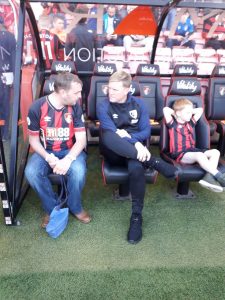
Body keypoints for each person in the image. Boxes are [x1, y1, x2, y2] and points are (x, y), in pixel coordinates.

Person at [97, 70, 178, 244]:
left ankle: (136, 217)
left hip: (135, 151)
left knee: (135, 167)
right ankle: (154, 162)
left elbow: (146, 131)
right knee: (108, 136)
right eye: (109, 88)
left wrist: (132, 140)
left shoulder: (139, 104)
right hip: (114, 152)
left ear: (127, 89)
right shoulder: (103, 105)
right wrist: (136, 143)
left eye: (115, 90)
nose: (110, 92)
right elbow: (111, 133)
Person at [25, 72, 91, 228]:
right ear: (62, 92)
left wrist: (68, 159)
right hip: (46, 152)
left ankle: (75, 207)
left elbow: (81, 140)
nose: (79, 96)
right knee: (31, 172)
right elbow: (33, 140)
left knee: (78, 171)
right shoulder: (37, 107)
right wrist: (48, 158)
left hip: (70, 150)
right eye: (76, 92)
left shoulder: (75, 108)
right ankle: (53, 208)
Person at [163, 98, 225, 193]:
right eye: (187, 113)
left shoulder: (190, 123)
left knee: (215, 152)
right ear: (178, 113)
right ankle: (219, 176)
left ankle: (208, 178)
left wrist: (188, 111)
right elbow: (165, 110)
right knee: (200, 155)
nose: (190, 114)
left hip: (192, 150)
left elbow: (200, 110)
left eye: (190, 112)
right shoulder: (173, 124)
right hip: (180, 154)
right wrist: (176, 113)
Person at [65, 17, 100, 110]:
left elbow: (67, 51)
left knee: (76, 91)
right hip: (90, 66)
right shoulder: (93, 32)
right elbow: (98, 52)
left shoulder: (72, 32)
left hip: (76, 67)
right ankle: (89, 113)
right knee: (88, 91)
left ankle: (77, 113)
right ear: (86, 18)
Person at [0, 16, 16, 141]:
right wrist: (14, 78)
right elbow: (14, 59)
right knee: (5, 107)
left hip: (4, 75)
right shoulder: (10, 37)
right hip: (6, 76)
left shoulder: (9, 36)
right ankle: (4, 133)